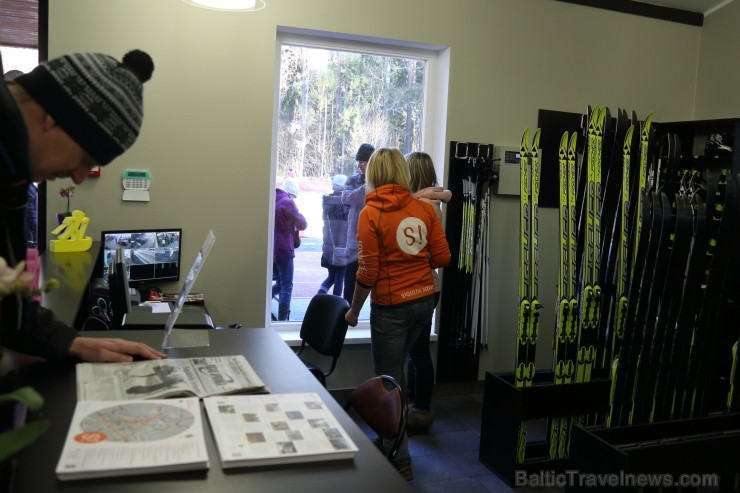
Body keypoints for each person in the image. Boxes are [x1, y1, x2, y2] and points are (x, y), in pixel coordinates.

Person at [0, 50, 166, 363]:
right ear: (56, 118)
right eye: (86, 159)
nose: (78, 177)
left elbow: (9, 311)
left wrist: (73, 342)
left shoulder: (10, 177)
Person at [344, 148, 451, 481]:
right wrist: (415, 264)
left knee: (388, 383)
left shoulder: (370, 213)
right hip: (423, 303)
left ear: (373, 174)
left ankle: (400, 460)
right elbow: (442, 257)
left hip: (391, 309)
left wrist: (353, 311)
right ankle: (390, 439)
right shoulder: (422, 208)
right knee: (398, 377)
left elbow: (368, 273)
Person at [404, 151, 452, 433]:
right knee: (414, 349)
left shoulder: (425, 205)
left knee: (419, 350)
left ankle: (422, 407)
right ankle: (414, 400)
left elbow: (433, 253)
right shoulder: (427, 201)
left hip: (424, 286)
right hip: (426, 286)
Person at [341, 143, 374, 305]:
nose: (360, 165)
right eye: (358, 161)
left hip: (374, 241)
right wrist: (368, 186)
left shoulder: (380, 181)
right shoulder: (353, 180)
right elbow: (347, 198)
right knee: (349, 286)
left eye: (364, 161)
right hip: (354, 241)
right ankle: (345, 320)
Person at [272, 178, 307, 321]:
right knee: (287, 286)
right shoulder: (288, 202)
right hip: (284, 248)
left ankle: (263, 299)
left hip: (272, 249)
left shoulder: (272, 199)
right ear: (292, 194)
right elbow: (303, 224)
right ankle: (282, 318)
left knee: (280, 283)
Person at [318, 174, 349, 296]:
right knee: (339, 278)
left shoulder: (327, 201)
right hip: (342, 248)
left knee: (331, 276)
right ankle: (336, 304)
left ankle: (320, 295)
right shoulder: (347, 203)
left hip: (328, 247)